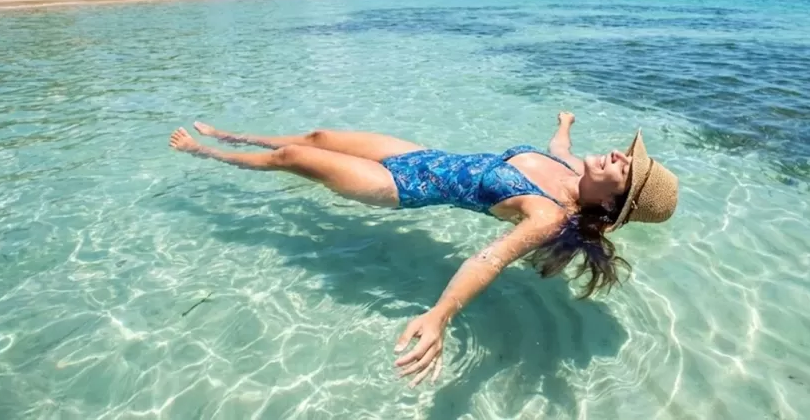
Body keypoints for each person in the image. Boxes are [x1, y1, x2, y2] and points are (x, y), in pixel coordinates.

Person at [168, 112, 678, 387]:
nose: (620, 154)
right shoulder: (569, 170)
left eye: (626, 168)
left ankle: (207, 152)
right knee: (319, 135)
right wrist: (565, 124)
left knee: (292, 157)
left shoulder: (547, 215)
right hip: (421, 156)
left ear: (611, 203)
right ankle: (237, 134)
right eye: (628, 155)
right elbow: (558, 149)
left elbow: (490, 259)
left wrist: (440, 314)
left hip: (398, 186)